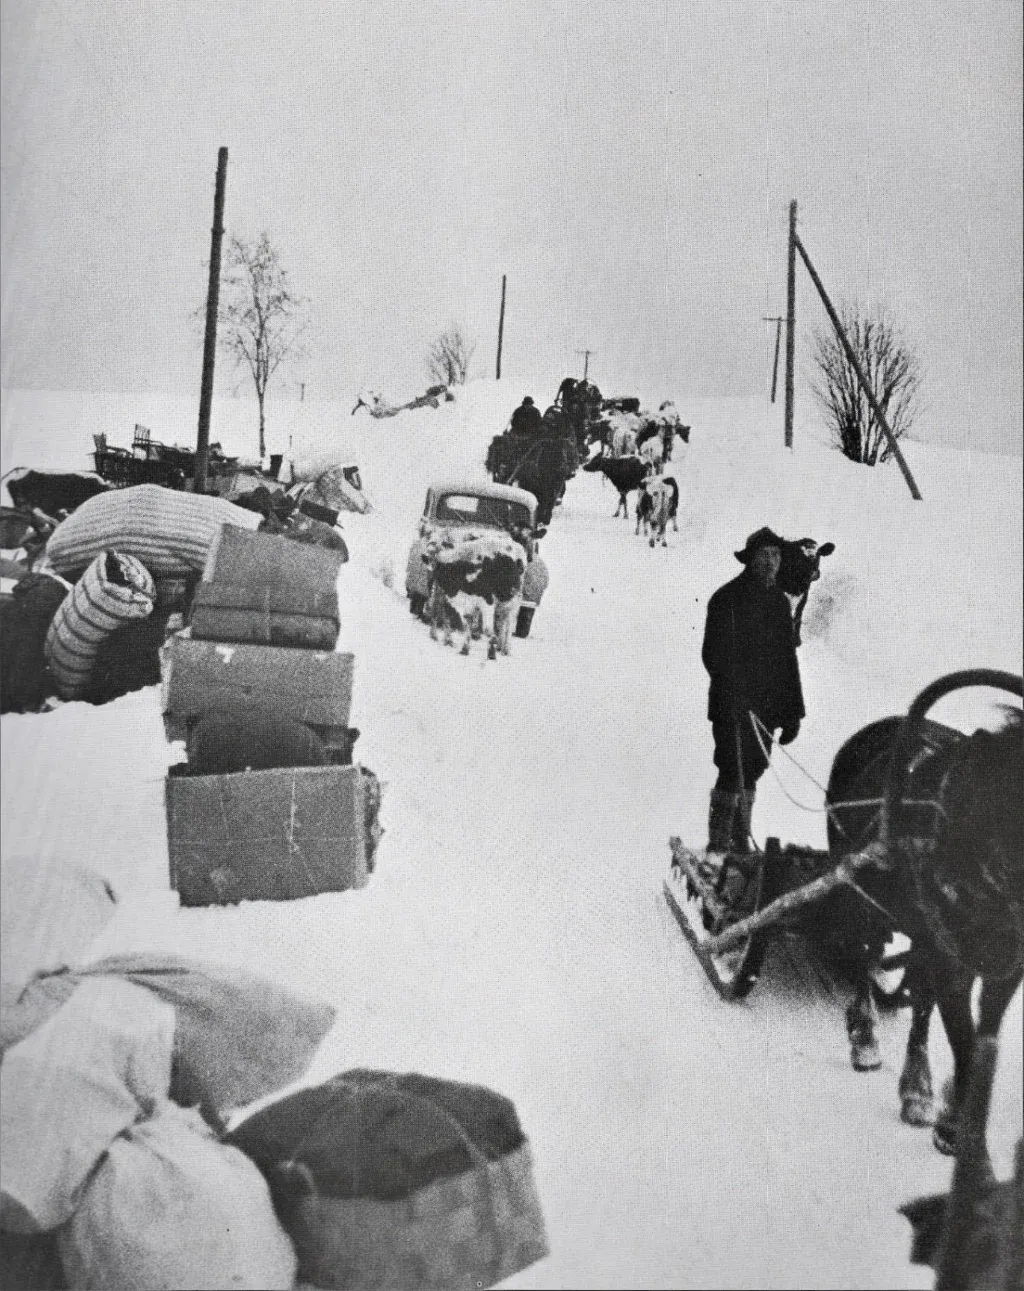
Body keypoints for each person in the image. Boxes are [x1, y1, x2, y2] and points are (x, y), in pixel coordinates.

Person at [700, 527, 804, 855]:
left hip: (766, 708)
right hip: (731, 704)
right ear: (750, 559)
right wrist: (732, 692)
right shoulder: (726, 599)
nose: (771, 562)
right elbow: (712, 655)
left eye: (776, 555)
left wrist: (793, 714)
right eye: (764, 555)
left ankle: (741, 834)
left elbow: (788, 661)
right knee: (731, 766)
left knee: (755, 767)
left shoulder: (779, 603)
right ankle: (721, 840)